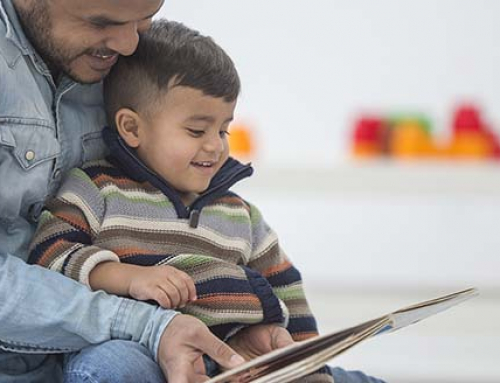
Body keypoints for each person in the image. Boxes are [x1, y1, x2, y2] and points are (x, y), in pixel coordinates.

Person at [28, 20, 387, 383]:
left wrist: (307, 362)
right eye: (197, 131)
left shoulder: (239, 214)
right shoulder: (96, 187)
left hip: (238, 359)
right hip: (141, 350)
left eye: (223, 129)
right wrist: (128, 277)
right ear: (132, 128)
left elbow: (286, 286)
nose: (216, 145)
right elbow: (49, 253)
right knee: (107, 368)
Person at [0, 1, 246, 382]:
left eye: (144, 21)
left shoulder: (115, 59)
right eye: (102, 22)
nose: (130, 45)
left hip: (141, 346)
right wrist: (147, 325)